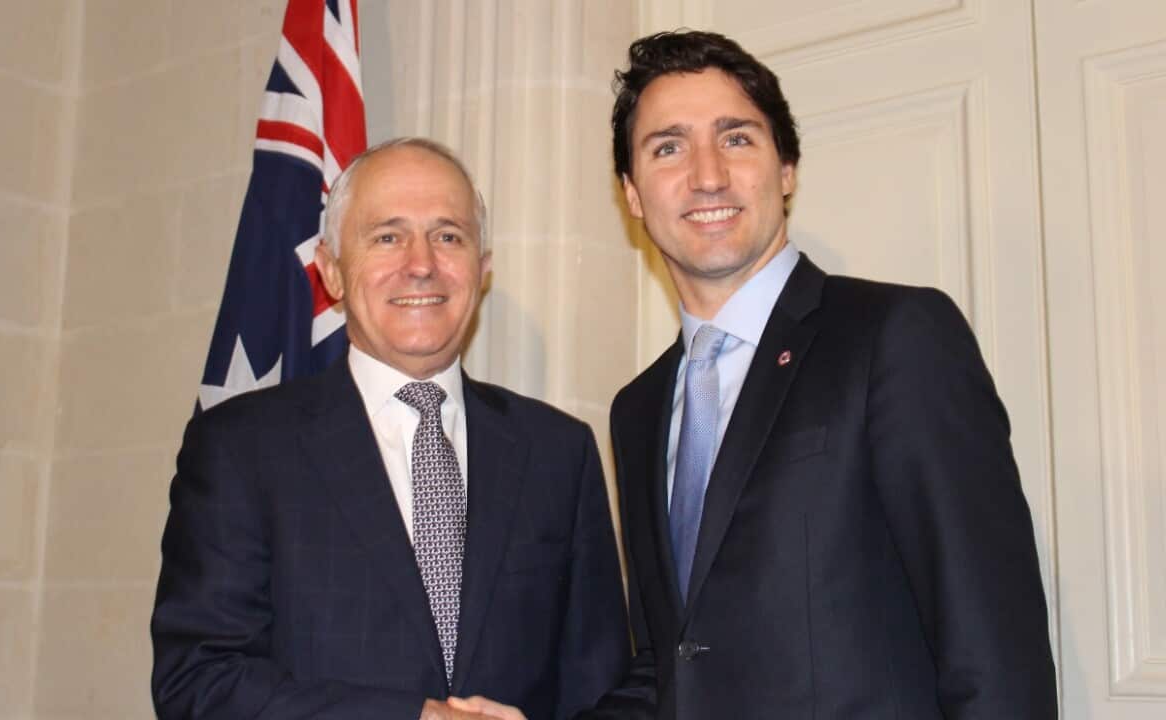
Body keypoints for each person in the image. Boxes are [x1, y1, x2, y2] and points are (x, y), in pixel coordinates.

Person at [455, 30, 1058, 720]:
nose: (707, 175)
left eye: (736, 138)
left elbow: (993, 644)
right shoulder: (639, 409)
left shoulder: (895, 336)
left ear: (787, 167)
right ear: (631, 194)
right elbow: (670, 669)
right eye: (668, 148)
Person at [151, 137, 629, 720]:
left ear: (482, 269)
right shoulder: (241, 448)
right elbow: (199, 682)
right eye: (387, 237)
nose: (421, 263)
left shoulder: (559, 452)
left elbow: (600, 687)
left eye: (448, 236)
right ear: (332, 270)